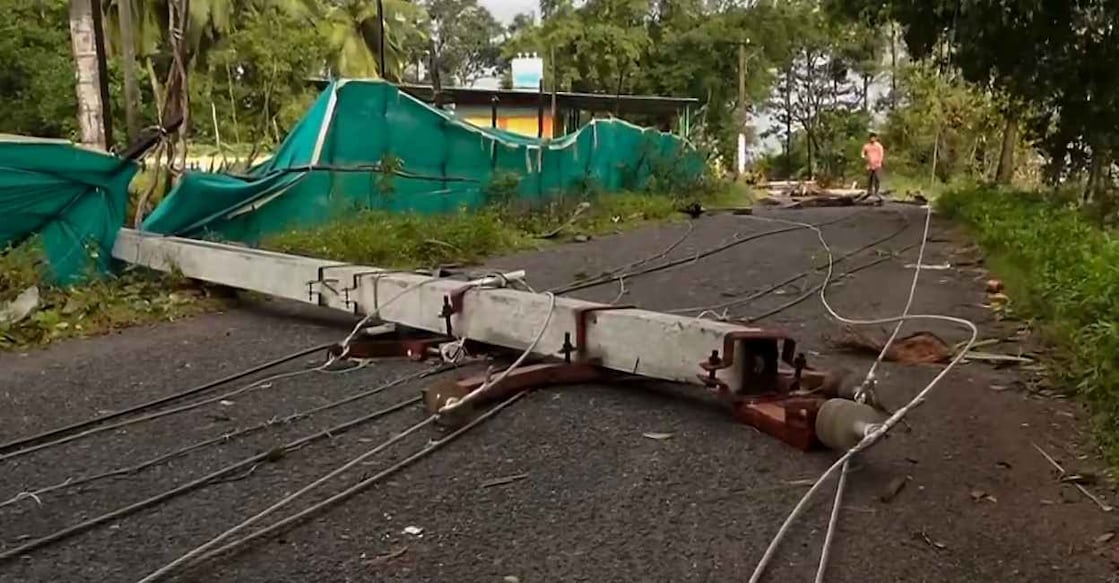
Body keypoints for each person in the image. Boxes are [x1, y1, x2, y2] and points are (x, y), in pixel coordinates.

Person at [861, 132, 885, 200]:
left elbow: (881, 155)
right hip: (869, 165)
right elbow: (862, 153)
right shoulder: (866, 146)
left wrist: (879, 162)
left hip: (877, 165)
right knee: (869, 179)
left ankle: (877, 191)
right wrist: (864, 158)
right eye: (871, 137)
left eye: (874, 137)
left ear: (876, 138)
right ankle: (869, 191)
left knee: (877, 178)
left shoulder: (879, 146)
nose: (872, 139)